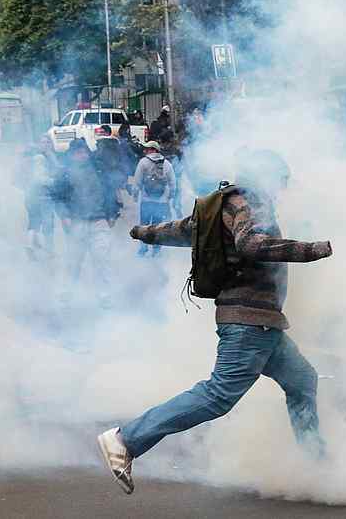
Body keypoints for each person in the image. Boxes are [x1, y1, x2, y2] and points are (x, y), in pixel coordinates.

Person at [97, 150, 333, 495]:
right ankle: (125, 441)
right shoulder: (252, 201)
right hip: (251, 323)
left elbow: (181, 230)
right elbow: (250, 244)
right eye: (280, 180)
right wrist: (312, 250)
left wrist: (142, 232)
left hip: (263, 325)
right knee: (218, 395)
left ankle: (318, 465)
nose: (281, 188)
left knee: (302, 380)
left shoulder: (223, 204)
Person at [49, 139, 120, 287]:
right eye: (78, 152)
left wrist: (112, 213)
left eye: (84, 152)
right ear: (71, 154)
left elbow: (110, 190)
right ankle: (69, 291)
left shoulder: (99, 169)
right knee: (74, 260)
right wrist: (64, 215)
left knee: (102, 259)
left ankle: (105, 294)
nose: (82, 155)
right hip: (77, 222)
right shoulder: (65, 174)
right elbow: (57, 196)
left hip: (99, 221)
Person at [133, 141, 177, 257]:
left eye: (147, 149)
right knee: (158, 227)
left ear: (153, 149)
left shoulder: (143, 162)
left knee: (144, 225)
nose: (145, 151)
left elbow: (137, 181)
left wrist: (135, 194)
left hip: (146, 201)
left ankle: (143, 248)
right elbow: (173, 182)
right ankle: (156, 250)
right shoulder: (167, 164)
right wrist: (171, 195)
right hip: (162, 202)